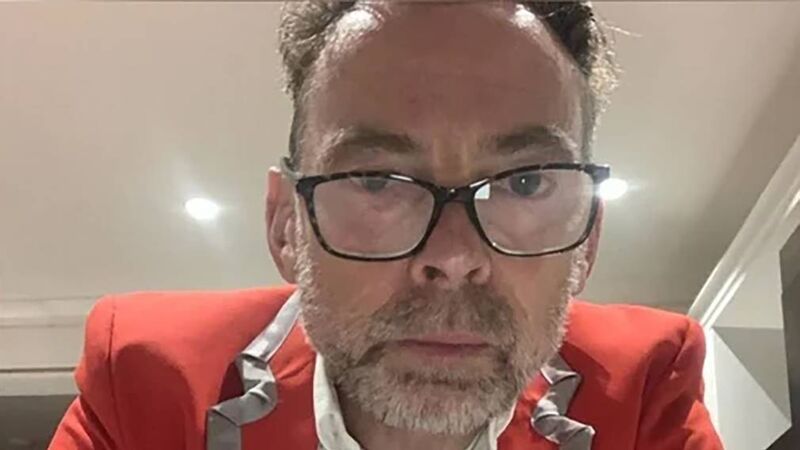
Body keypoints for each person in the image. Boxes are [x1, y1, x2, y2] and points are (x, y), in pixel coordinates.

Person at [49, 2, 723, 449]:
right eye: (377, 180)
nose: (453, 257)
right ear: (286, 225)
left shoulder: (643, 387)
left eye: (523, 183)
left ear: (589, 239)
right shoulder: (146, 382)